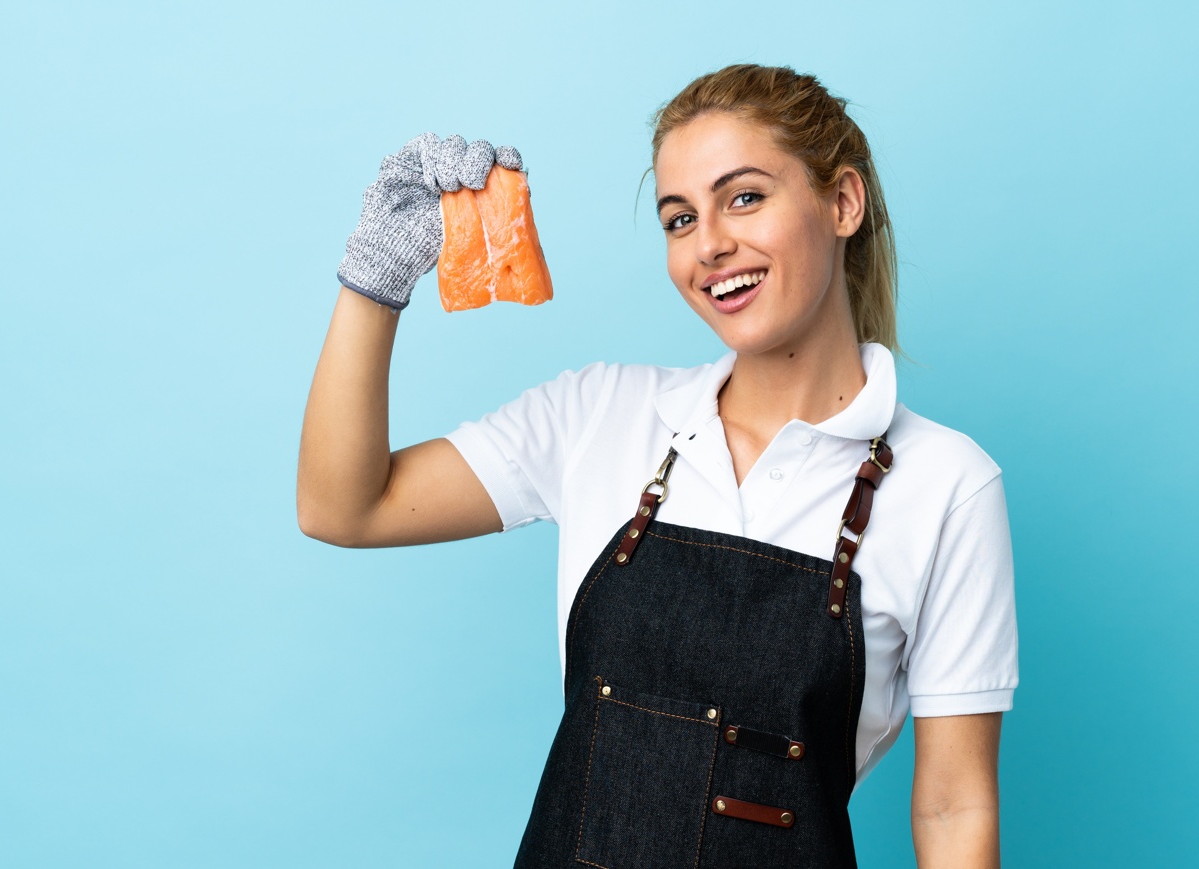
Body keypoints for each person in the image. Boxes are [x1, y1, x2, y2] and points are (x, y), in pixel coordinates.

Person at [298, 63, 1017, 868]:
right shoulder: (599, 415)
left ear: (842, 202)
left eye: (745, 197)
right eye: (680, 218)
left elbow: (955, 808)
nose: (709, 243)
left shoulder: (947, 484)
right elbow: (342, 507)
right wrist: (375, 279)